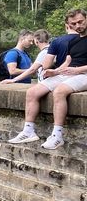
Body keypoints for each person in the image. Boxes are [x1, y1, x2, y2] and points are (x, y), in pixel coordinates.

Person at [7, 8, 87, 149]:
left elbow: (74, 67)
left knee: (59, 91)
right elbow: (68, 62)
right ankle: (28, 131)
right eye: (73, 24)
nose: (77, 26)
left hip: (83, 74)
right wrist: (54, 71)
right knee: (32, 92)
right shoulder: (74, 41)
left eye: (80, 22)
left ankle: (57, 136)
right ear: (68, 25)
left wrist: (77, 70)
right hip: (69, 72)